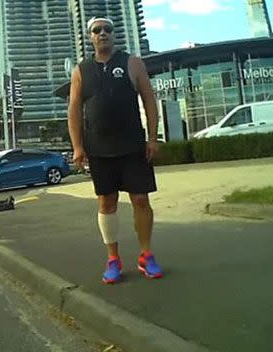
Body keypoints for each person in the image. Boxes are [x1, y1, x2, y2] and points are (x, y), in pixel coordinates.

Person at [67, 16, 163, 284]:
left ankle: (146, 255)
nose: (103, 33)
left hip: (133, 145)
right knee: (106, 202)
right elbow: (74, 111)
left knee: (141, 200)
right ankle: (113, 259)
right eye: (97, 30)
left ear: (114, 34)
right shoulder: (81, 70)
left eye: (108, 29)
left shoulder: (132, 63)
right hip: (99, 148)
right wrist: (77, 147)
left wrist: (153, 138)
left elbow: (149, 100)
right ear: (90, 37)